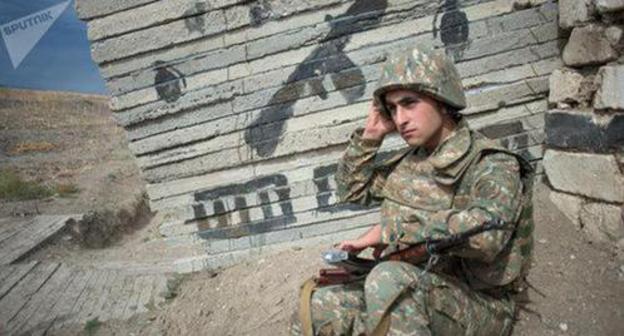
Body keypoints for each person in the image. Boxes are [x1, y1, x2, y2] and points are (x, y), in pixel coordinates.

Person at [292, 46, 534, 336]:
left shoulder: (491, 163)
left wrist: (394, 230)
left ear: (443, 102)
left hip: (480, 304)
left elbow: (488, 237)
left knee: (388, 279)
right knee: (319, 303)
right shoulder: (411, 162)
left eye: (409, 103)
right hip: (415, 281)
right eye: (392, 108)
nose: (400, 118)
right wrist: (370, 137)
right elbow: (353, 191)